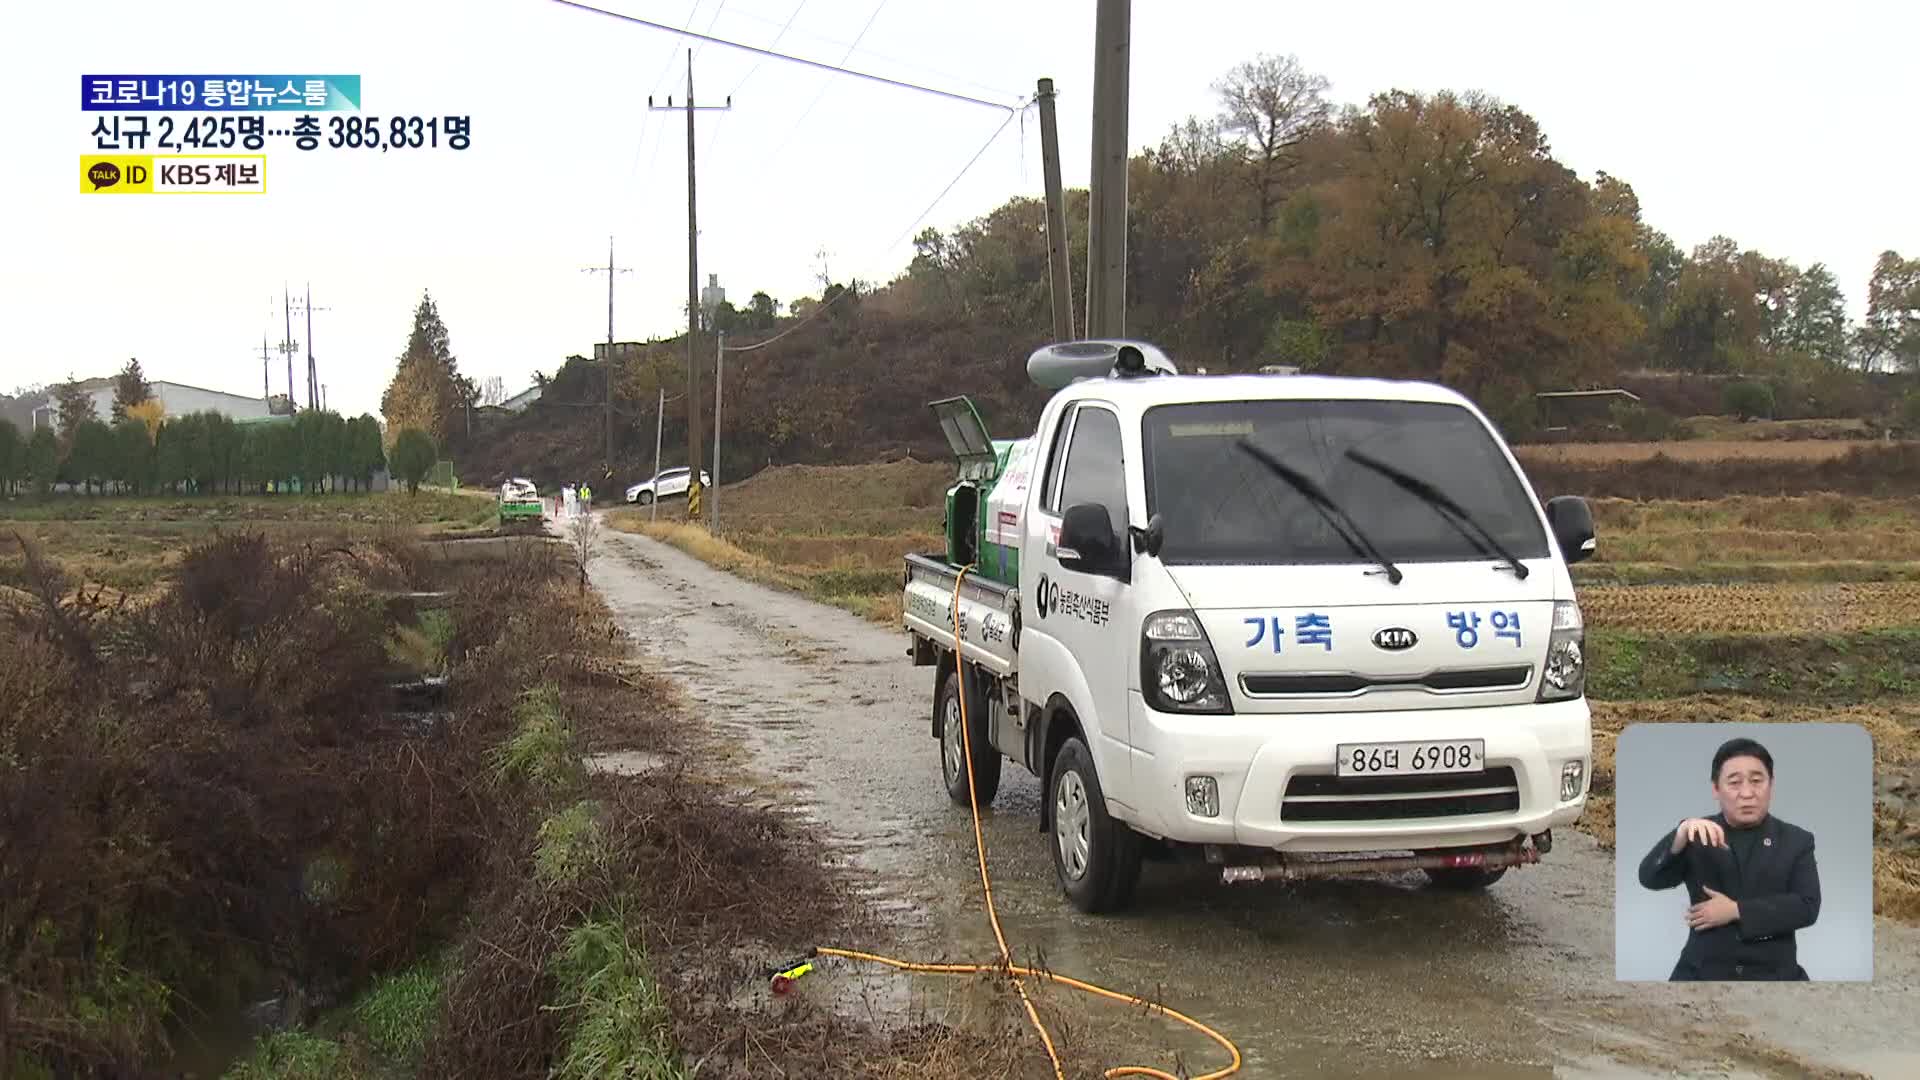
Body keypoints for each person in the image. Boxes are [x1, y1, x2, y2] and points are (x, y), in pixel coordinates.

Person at [1637, 736, 1820, 980]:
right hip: (1701, 972)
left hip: (1774, 973)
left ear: (1771, 784)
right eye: (1734, 783)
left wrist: (1736, 910)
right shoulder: (1698, 833)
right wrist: (1680, 833)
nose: (1747, 793)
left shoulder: (1797, 840)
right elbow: (1649, 878)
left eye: (1757, 781)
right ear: (1716, 788)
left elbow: (1806, 907)